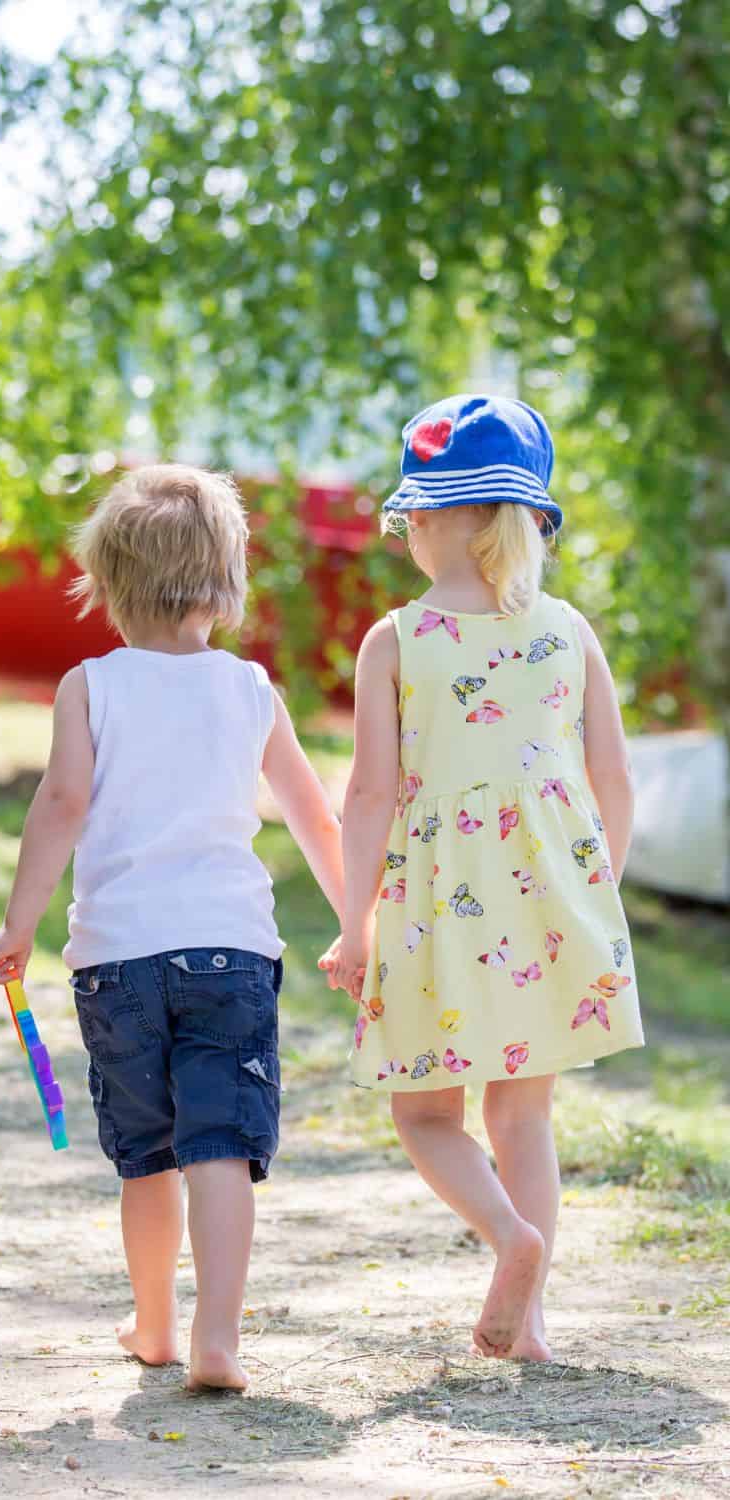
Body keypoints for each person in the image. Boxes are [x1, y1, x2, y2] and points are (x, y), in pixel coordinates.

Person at [0, 463, 344, 1392]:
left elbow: (60, 803)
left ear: (104, 584)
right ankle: (219, 1338)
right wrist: (360, 924)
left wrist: (18, 922)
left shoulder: (90, 686)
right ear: (225, 586)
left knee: (148, 1156)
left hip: (119, 960)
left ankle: (153, 1326)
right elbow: (311, 813)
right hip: (230, 952)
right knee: (220, 1143)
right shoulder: (249, 688)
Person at [325, 393, 644, 1362]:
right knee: (523, 1111)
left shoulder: (397, 639)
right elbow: (614, 782)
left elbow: (370, 797)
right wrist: (597, 896)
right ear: (525, 518)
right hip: (551, 905)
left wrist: (352, 923)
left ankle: (510, 1238)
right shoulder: (566, 630)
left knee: (426, 1111)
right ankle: (532, 1320)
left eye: (412, 517)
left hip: (436, 912)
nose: (408, 532)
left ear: (431, 520)